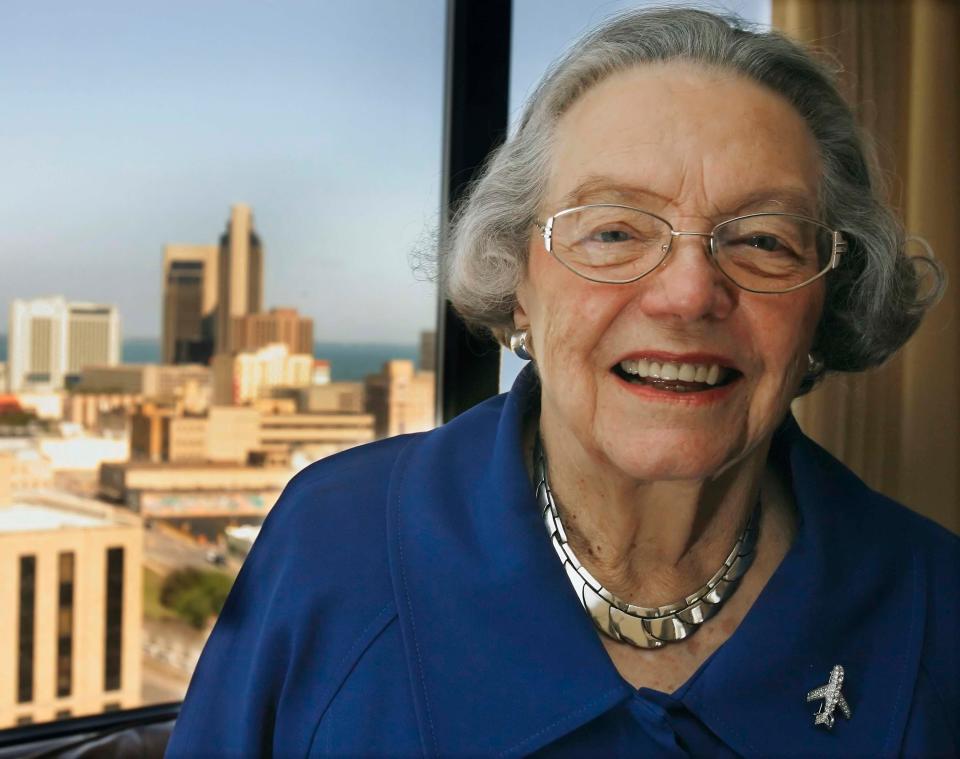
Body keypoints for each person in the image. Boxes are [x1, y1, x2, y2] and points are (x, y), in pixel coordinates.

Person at [166, 8, 957, 757]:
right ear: (518, 281)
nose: (687, 294)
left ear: (827, 305)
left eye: (762, 240)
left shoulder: (936, 606)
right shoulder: (333, 543)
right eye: (613, 230)